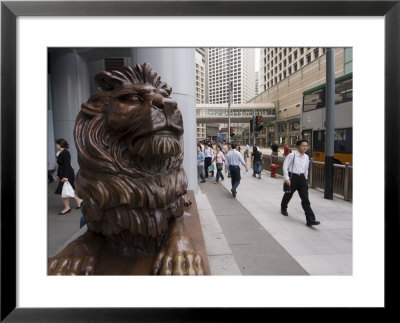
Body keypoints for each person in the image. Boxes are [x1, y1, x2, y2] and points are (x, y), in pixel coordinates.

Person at [280, 139, 320, 227]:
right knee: (288, 194)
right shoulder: (292, 155)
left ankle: (310, 220)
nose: (305, 147)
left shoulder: (306, 157)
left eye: (306, 145)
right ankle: (283, 207)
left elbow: (306, 169)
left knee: (305, 199)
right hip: (292, 178)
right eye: (303, 145)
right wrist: (286, 178)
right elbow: (285, 166)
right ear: (298, 147)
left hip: (302, 179)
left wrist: (305, 178)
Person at [54, 139, 83, 215]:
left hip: (66, 174)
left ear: (61, 144)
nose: (56, 145)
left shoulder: (66, 152)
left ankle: (67, 208)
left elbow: (67, 165)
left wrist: (66, 177)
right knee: (67, 189)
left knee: (62, 191)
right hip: (62, 173)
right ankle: (79, 201)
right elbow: (60, 165)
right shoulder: (59, 152)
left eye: (57, 144)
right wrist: (58, 175)